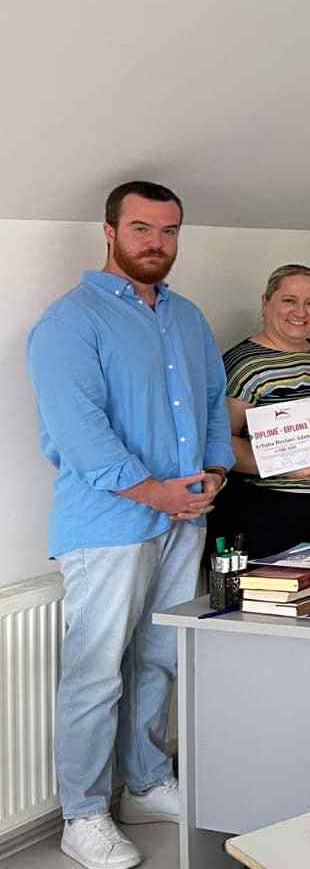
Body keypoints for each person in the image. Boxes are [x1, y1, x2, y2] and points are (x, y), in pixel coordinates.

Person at [27, 181, 230, 869]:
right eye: (142, 228)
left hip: (184, 516)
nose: (156, 243)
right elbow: (80, 433)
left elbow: (211, 402)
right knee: (95, 674)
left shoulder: (186, 316)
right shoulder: (70, 321)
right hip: (108, 524)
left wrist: (214, 471)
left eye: (169, 231)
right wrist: (156, 493)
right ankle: (82, 816)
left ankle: (143, 783)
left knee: (160, 656)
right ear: (110, 232)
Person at [210, 264, 310, 559]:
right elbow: (220, 441)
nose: (300, 312)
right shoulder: (244, 363)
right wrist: (285, 466)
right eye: (289, 300)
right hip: (279, 511)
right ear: (266, 302)